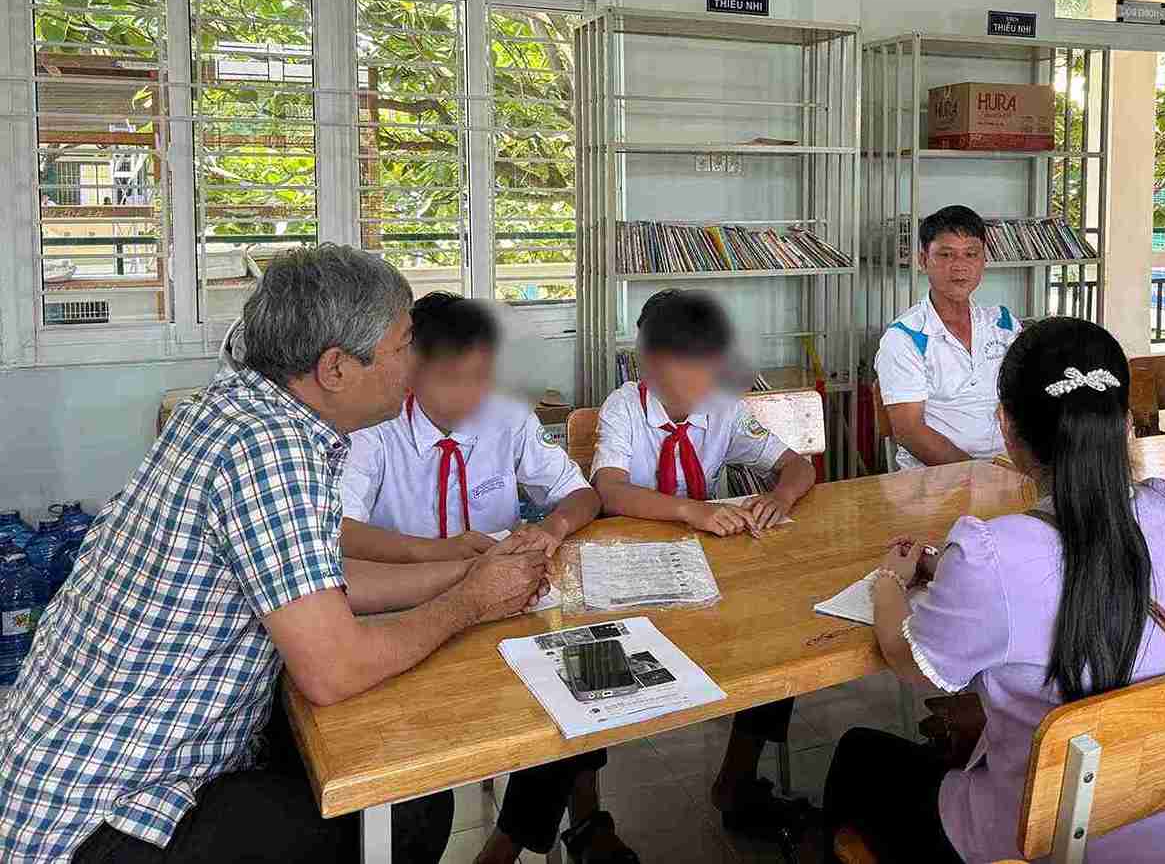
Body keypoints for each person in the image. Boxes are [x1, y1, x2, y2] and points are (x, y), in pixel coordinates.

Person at [0, 245, 552, 864]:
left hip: (96, 765)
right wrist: (469, 601)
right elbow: (335, 670)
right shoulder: (271, 450)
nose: (414, 365)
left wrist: (459, 571)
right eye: (404, 346)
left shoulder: (242, 408)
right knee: (402, 810)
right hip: (108, 810)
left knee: (400, 791)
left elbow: (304, 576)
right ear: (336, 367)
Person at [824, 316, 1165, 863]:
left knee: (857, 756)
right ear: (1126, 423)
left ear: (1006, 426)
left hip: (1034, 845)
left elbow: (908, 660)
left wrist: (889, 581)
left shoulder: (991, 551)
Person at [340, 292, 626, 864]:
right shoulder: (373, 428)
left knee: (582, 684)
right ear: (411, 373)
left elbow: (581, 493)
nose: (474, 396)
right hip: (410, 609)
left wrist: (551, 529)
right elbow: (338, 530)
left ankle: (510, 841)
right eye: (456, 380)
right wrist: (435, 554)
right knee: (421, 735)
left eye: (483, 377)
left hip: (502, 602)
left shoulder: (508, 417)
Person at [590, 289, 818, 847]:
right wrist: (694, 511)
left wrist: (780, 499)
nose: (697, 380)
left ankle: (736, 777)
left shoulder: (723, 406)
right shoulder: (624, 407)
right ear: (647, 361)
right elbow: (609, 490)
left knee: (776, 643)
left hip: (707, 570)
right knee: (592, 673)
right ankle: (588, 815)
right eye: (680, 364)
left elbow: (795, 465)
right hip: (631, 574)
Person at [874, 205, 1022, 468]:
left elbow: (1030, 399)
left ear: (983, 260)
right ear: (922, 259)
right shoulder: (904, 337)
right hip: (936, 479)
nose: (960, 266)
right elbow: (910, 431)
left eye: (971, 254)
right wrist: (980, 474)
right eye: (945, 254)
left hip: (1009, 468)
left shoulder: (1004, 324)